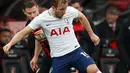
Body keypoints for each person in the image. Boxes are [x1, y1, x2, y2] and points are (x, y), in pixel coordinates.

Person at [3, 0, 101, 73]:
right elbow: (24, 33)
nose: (64, 11)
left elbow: (82, 17)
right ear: (53, 8)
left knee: (94, 70)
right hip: (57, 57)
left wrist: (92, 34)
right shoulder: (41, 19)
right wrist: (10, 43)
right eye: (62, 9)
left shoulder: (69, 11)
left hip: (75, 51)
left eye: (65, 8)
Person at [22, 0, 51, 73]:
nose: (32, 15)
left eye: (34, 12)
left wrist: (46, 33)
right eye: (29, 13)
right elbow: (38, 39)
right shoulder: (29, 24)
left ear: (38, 8)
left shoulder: (47, 19)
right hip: (37, 58)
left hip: (53, 55)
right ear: (24, 12)